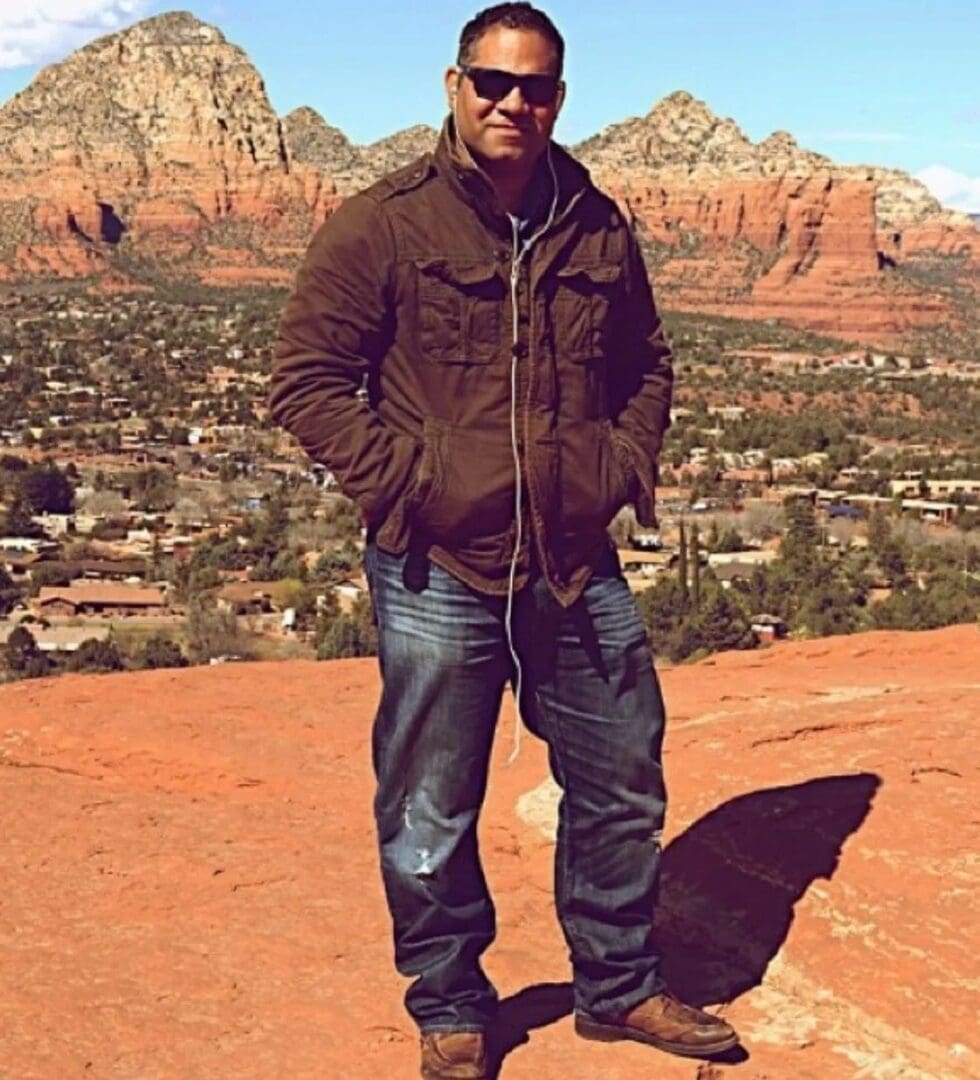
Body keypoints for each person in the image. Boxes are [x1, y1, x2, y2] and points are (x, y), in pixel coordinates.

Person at [270, 4, 739, 1076]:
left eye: (531, 87)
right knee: (432, 796)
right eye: (489, 80)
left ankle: (616, 988)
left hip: (574, 560)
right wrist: (409, 485)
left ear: (558, 99)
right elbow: (303, 380)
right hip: (438, 563)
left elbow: (647, 367)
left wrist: (618, 468)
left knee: (622, 775)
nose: (509, 101)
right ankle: (449, 1003)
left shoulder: (596, 221)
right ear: (452, 84)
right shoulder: (382, 223)